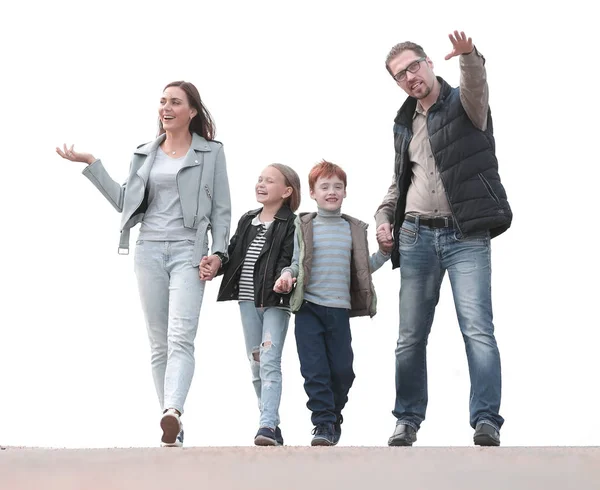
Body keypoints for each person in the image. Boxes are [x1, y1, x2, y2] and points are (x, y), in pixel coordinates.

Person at [56, 81, 231, 447]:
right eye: (163, 101)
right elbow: (125, 202)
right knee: (158, 343)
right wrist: (91, 164)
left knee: (181, 337)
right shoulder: (144, 154)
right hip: (148, 249)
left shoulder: (211, 152)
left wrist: (219, 254)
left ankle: (173, 411)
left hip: (189, 251)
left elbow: (221, 212)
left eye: (175, 102)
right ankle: (173, 423)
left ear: (192, 111)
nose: (166, 108)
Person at [375, 31, 512, 447]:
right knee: (409, 337)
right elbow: (400, 184)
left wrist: (470, 56)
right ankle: (407, 420)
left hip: (466, 234)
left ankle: (486, 420)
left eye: (414, 66)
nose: (410, 77)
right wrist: (384, 218)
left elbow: (476, 84)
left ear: (430, 63)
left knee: (478, 330)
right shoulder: (403, 124)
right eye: (401, 75)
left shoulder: (465, 106)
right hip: (416, 237)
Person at [275, 160, 390, 446]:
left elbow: (364, 267)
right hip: (308, 308)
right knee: (314, 370)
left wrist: (385, 253)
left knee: (342, 371)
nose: (331, 191)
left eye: (337, 186)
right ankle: (323, 423)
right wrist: (287, 277)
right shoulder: (303, 226)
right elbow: (295, 264)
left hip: (339, 311)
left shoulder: (352, 229)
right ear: (312, 193)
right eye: (324, 186)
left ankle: (333, 414)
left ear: (345, 192)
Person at [201, 164, 301, 446]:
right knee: (256, 364)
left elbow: (288, 258)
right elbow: (233, 254)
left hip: (274, 302)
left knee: (269, 361)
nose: (261, 184)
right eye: (260, 179)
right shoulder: (248, 220)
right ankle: (271, 422)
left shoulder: (292, 224)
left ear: (287, 191)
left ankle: (266, 425)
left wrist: (285, 277)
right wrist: (215, 264)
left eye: (270, 181)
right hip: (246, 301)